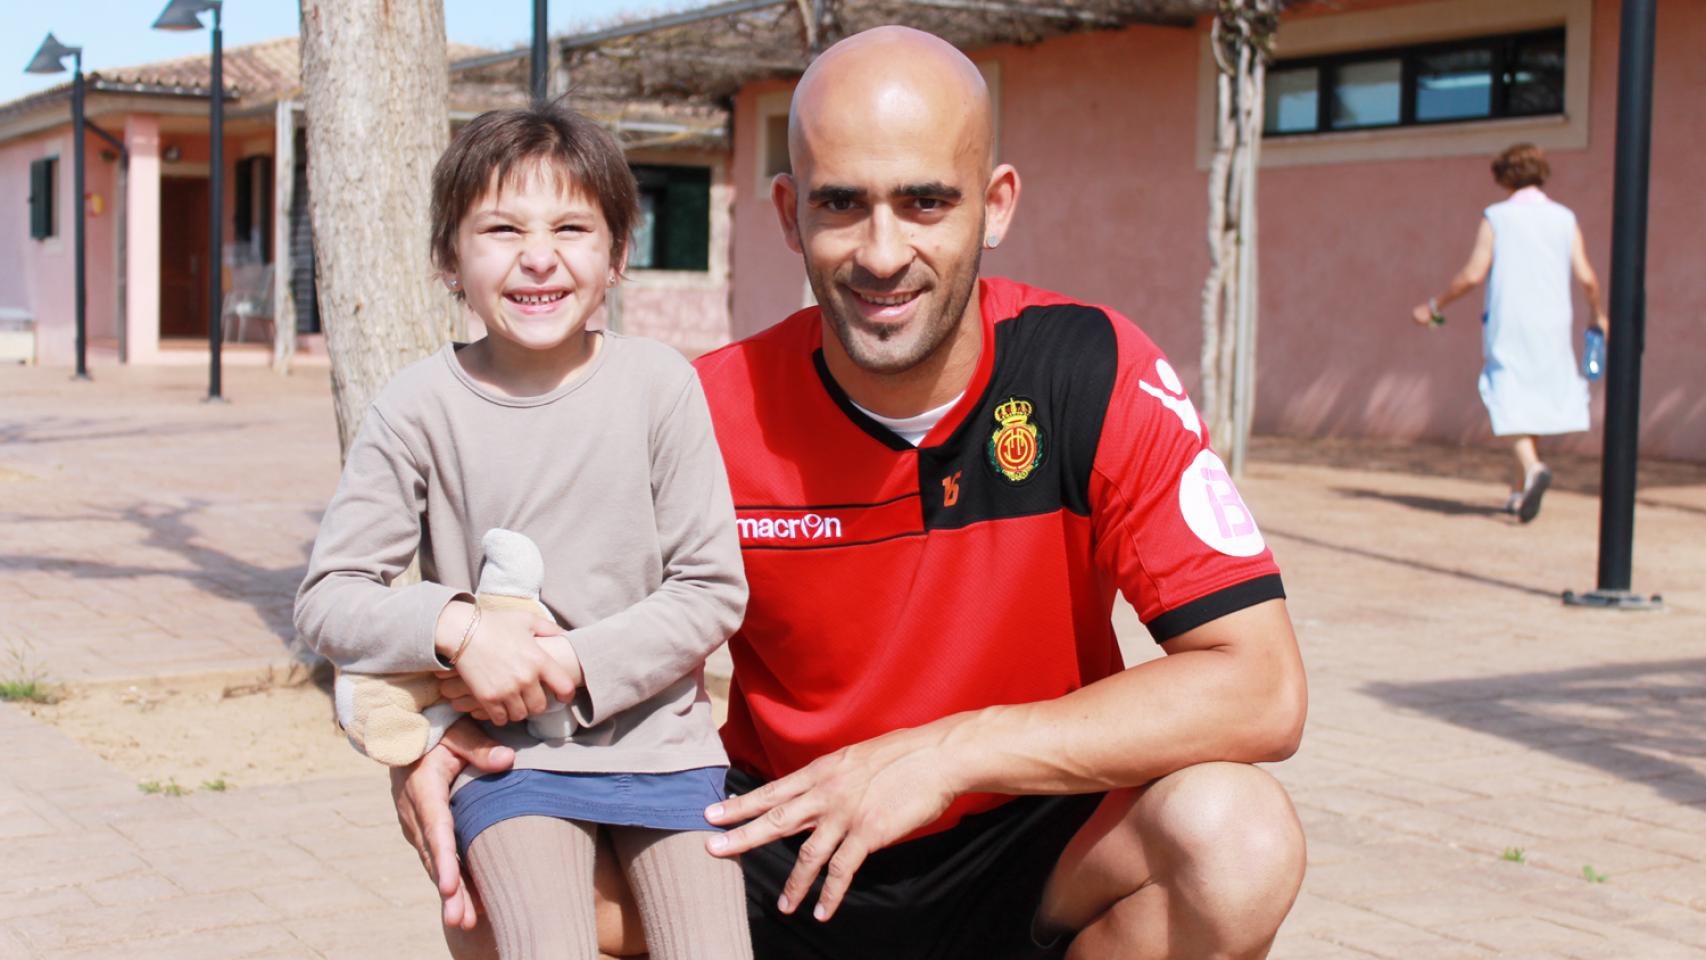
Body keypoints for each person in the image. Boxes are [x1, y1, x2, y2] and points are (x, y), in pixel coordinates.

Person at [394, 27, 1308, 960]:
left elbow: (1263, 688)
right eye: (842, 203)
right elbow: (538, 630)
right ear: (790, 213)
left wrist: (947, 753)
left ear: (995, 206)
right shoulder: (704, 410)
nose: (882, 252)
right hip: (781, 829)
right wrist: (440, 737)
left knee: (1235, 835)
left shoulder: (1092, 371)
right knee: (496, 886)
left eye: (925, 202)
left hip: (1028, 833)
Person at [295, 104, 753, 959]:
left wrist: (571, 663)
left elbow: (711, 588)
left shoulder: (661, 385)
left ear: (617, 254)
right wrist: (460, 629)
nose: (538, 256)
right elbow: (329, 599)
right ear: (449, 259)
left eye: (572, 228)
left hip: (665, 750)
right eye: (502, 229)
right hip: (508, 761)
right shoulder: (416, 406)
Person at [1411, 143, 1609, 523]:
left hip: (1511, 323)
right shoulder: (1564, 218)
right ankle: (1518, 492)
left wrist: (1434, 305)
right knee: (1531, 401)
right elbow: (1587, 276)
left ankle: (1533, 469)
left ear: (1504, 176)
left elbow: (1473, 274)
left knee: (1505, 397)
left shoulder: (1497, 217)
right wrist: (1598, 314)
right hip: (1554, 324)